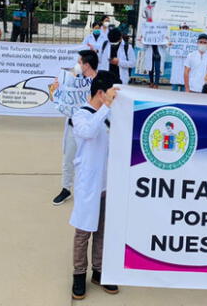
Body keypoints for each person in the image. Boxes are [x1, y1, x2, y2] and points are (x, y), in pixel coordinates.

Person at [70, 70, 120, 299]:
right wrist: (106, 108)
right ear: (101, 93)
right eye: (111, 94)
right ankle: (79, 275)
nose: (113, 98)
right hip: (87, 184)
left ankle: (99, 272)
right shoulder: (80, 115)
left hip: (106, 184)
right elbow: (88, 132)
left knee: (102, 231)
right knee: (83, 233)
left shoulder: (109, 116)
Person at [52, 50, 99, 206]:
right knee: (68, 158)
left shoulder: (100, 80)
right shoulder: (72, 78)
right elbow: (59, 97)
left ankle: (90, 189)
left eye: (79, 62)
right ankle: (66, 188)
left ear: (86, 65)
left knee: (90, 160)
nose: (77, 65)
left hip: (90, 127)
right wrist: (55, 88)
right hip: (73, 125)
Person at [170, 24, 189, 92]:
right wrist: (170, 45)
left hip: (185, 65)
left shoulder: (190, 41)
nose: (184, 29)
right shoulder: (174, 39)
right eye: (183, 28)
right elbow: (169, 50)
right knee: (174, 89)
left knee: (183, 89)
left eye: (186, 28)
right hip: (176, 65)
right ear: (180, 28)